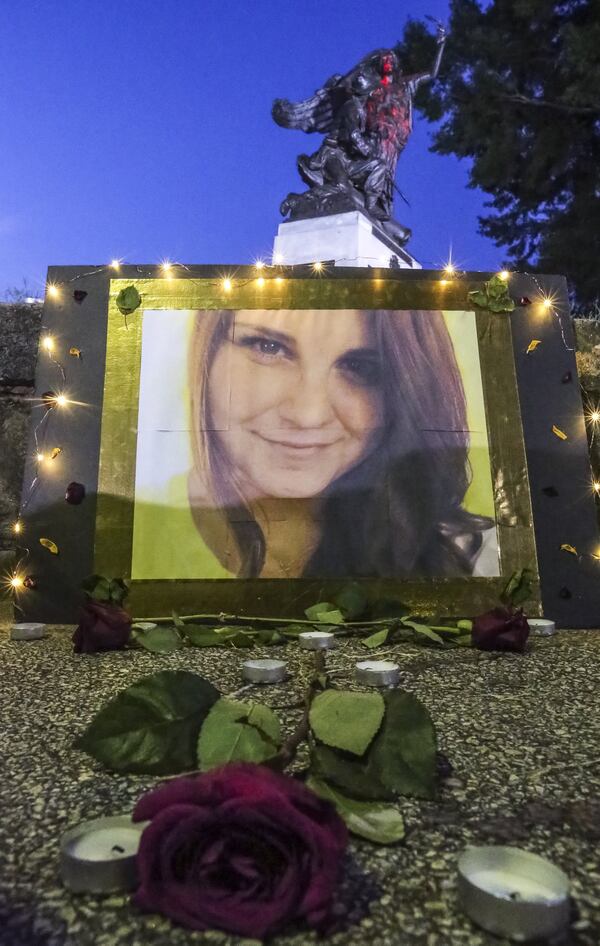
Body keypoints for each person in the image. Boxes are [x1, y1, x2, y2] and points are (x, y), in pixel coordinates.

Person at [187, 308, 496, 580]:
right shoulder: (144, 530)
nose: (308, 415)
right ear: (207, 352)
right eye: (268, 347)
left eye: (360, 367)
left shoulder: (481, 560)